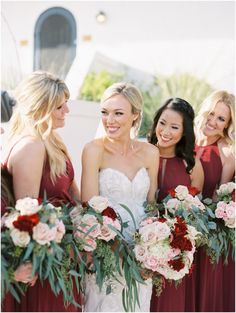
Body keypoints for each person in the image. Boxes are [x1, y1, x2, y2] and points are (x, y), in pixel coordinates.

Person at [2, 71, 81, 312]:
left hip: (63, 254)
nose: (66, 110)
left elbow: (73, 194)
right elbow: (27, 216)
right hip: (44, 264)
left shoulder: (52, 141)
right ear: (41, 108)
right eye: (59, 106)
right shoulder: (31, 146)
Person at [81, 82, 159, 312]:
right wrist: (118, 252)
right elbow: (90, 208)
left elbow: (152, 205)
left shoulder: (150, 153)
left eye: (118, 113)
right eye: (105, 112)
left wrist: (152, 250)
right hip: (106, 252)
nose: (109, 120)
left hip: (142, 256)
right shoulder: (94, 150)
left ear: (135, 115)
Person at [148, 97, 204, 312]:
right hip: (138, 250)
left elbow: (195, 215)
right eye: (162, 123)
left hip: (174, 254)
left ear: (184, 132)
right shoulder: (141, 153)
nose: (165, 131)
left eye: (174, 127)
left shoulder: (191, 164)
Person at [193, 90, 235, 312]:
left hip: (209, 235)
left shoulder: (227, 153)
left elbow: (222, 198)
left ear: (228, 124)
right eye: (211, 114)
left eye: (221, 119)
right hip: (179, 229)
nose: (213, 121)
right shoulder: (184, 139)